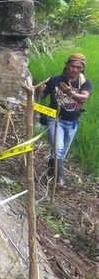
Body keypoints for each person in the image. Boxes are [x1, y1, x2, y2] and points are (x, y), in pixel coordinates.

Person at [36, 53, 91, 188]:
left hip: (72, 123)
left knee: (61, 153)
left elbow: (83, 98)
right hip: (55, 119)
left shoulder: (85, 83)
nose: (75, 70)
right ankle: (58, 181)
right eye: (72, 66)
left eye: (78, 67)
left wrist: (71, 93)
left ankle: (50, 176)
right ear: (66, 65)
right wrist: (38, 91)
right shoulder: (54, 80)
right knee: (58, 149)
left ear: (82, 69)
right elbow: (40, 98)